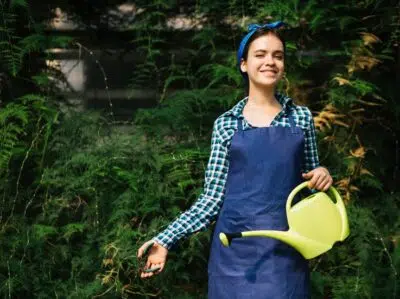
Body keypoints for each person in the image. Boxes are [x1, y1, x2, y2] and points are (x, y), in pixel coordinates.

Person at [137, 21, 333, 298]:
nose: (270, 61)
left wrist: (322, 174)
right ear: (244, 64)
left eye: (278, 55)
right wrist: (166, 240)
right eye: (261, 54)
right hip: (234, 256)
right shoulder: (227, 124)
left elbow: (312, 185)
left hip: (286, 253)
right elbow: (212, 199)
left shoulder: (301, 118)